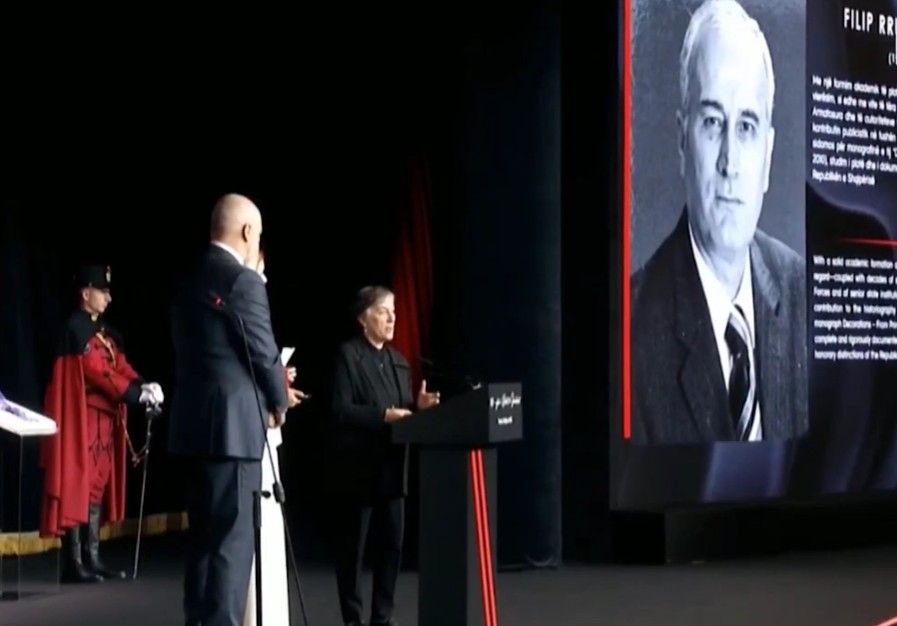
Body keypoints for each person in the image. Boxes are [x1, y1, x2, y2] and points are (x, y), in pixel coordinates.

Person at [629, 0, 808, 444]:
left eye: (746, 127)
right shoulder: (633, 328)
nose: (730, 162)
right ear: (681, 140)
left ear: (768, 156)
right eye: (712, 122)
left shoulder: (803, 296)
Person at [168, 193, 306, 626]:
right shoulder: (242, 280)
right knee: (230, 547)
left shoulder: (187, 279)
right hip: (233, 433)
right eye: (257, 235)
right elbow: (263, 353)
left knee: (203, 546)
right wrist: (279, 401)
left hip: (193, 431)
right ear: (247, 232)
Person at [39, 264, 164, 583]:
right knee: (77, 484)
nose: (108, 298)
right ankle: (74, 562)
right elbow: (97, 371)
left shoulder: (103, 331)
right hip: (82, 420)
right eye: (103, 291)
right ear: (86, 294)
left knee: (96, 484)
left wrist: (143, 384)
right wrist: (134, 394)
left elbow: (119, 365)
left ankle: (92, 557)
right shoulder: (75, 329)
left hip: (105, 420)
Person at [331, 285, 440, 626]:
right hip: (359, 470)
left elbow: (403, 414)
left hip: (393, 469)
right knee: (354, 550)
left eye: (394, 311)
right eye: (383, 311)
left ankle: (383, 617)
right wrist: (383, 415)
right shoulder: (348, 356)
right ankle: (352, 618)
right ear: (363, 319)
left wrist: (418, 409)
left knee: (391, 547)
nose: (392, 318)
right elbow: (340, 410)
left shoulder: (399, 362)